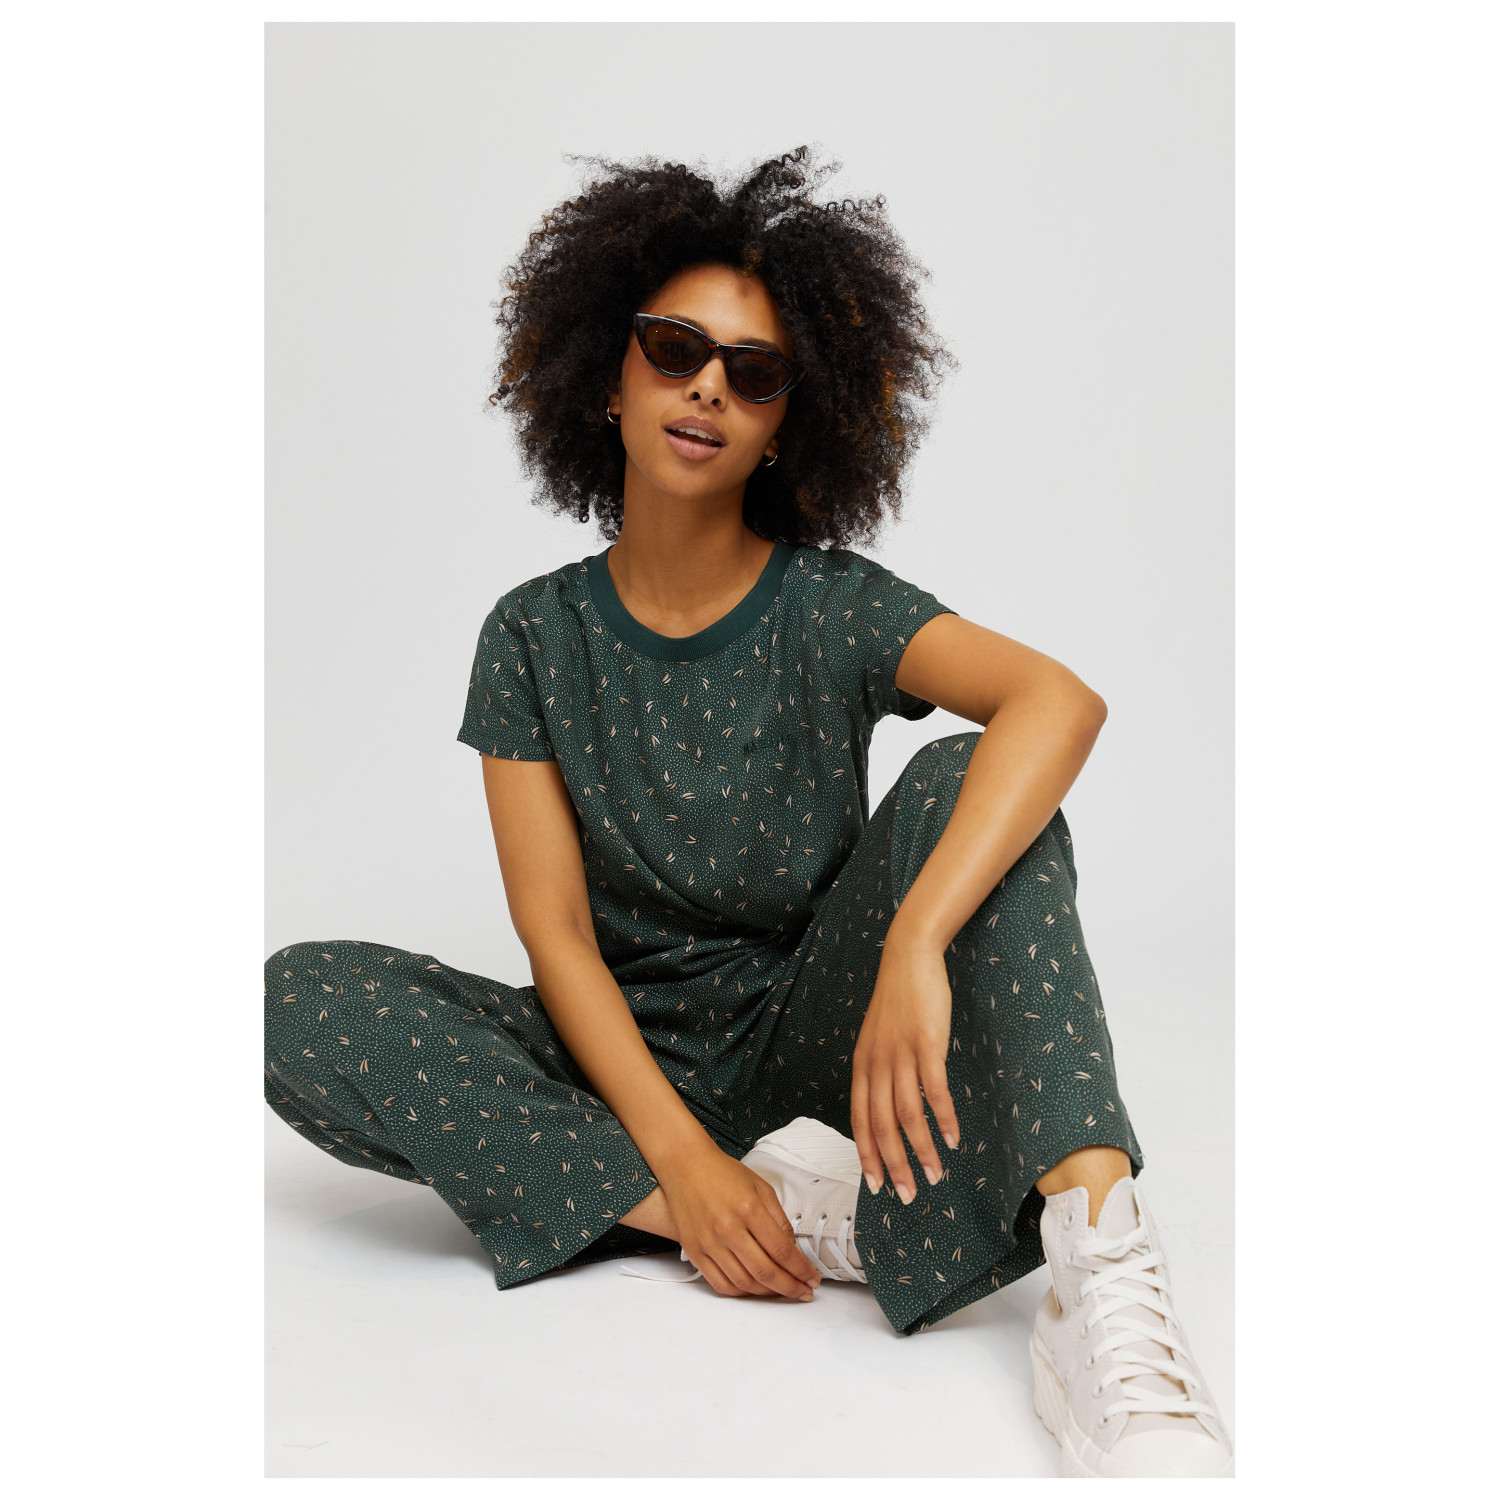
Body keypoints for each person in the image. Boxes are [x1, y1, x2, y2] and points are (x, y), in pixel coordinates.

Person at [265, 146, 1233, 1479]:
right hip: (613, 1065)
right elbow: (555, 936)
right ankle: (739, 1210)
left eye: (756, 372)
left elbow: (1054, 701)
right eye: (675, 349)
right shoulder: (531, 636)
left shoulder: (830, 607)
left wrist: (914, 943)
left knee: (974, 782)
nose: (709, 385)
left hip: (813, 1046)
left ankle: (1097, 1270)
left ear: (784, 425)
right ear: (606, 379)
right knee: (295, 999)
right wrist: (687, 1169)